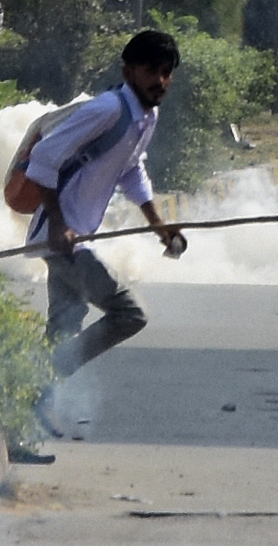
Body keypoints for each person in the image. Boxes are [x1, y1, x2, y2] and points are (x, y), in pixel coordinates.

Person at [20, 30, 190, 463]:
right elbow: (43, 162)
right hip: (63, 240)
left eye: (167, 72)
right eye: (151, 70)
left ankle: (21, 415)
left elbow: (131, 171)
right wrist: (59, 225)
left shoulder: (144, 118)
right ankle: (39, 376)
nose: (160, 81)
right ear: (128, 71)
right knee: (130, 314)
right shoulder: (106, 110)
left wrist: (160, 226)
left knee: (62, 329)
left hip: (72, 237)